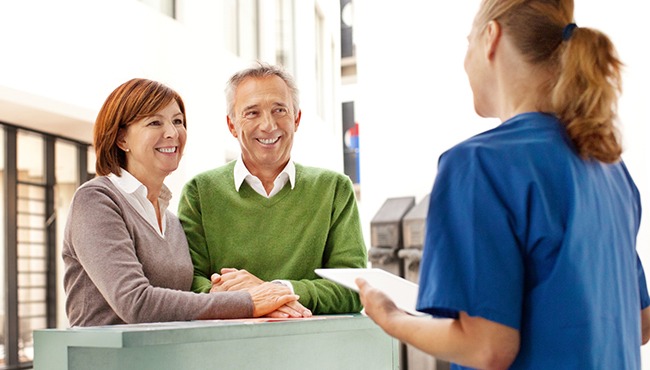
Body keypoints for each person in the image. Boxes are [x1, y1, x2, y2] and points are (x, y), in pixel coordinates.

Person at [356, 1, 650, 368]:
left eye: (468, 42)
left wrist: (391, 318)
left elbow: (487, 347)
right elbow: (640, 324)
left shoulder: (478, 164)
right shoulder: (609, 168)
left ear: (490, 37)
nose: (464, 62)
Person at [63, 78, 301, 327]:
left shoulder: (171, 222)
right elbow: (136, 303)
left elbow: (180, 302)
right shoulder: (96, 201)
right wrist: (250, 302)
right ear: (122, 140)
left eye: (177, 121)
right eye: (155, 122)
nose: (172, 133)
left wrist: (222, 293)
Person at [177, 63, 367, 316]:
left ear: (296, 118)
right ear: (232, 125)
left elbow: (353, 288)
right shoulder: (200, 192)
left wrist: (275, 290)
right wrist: (253, 301)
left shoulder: (334, 189)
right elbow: (190, 284)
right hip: (226, 349)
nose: (268, 125)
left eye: (279, 110)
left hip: (313, 348)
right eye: (252, 113)